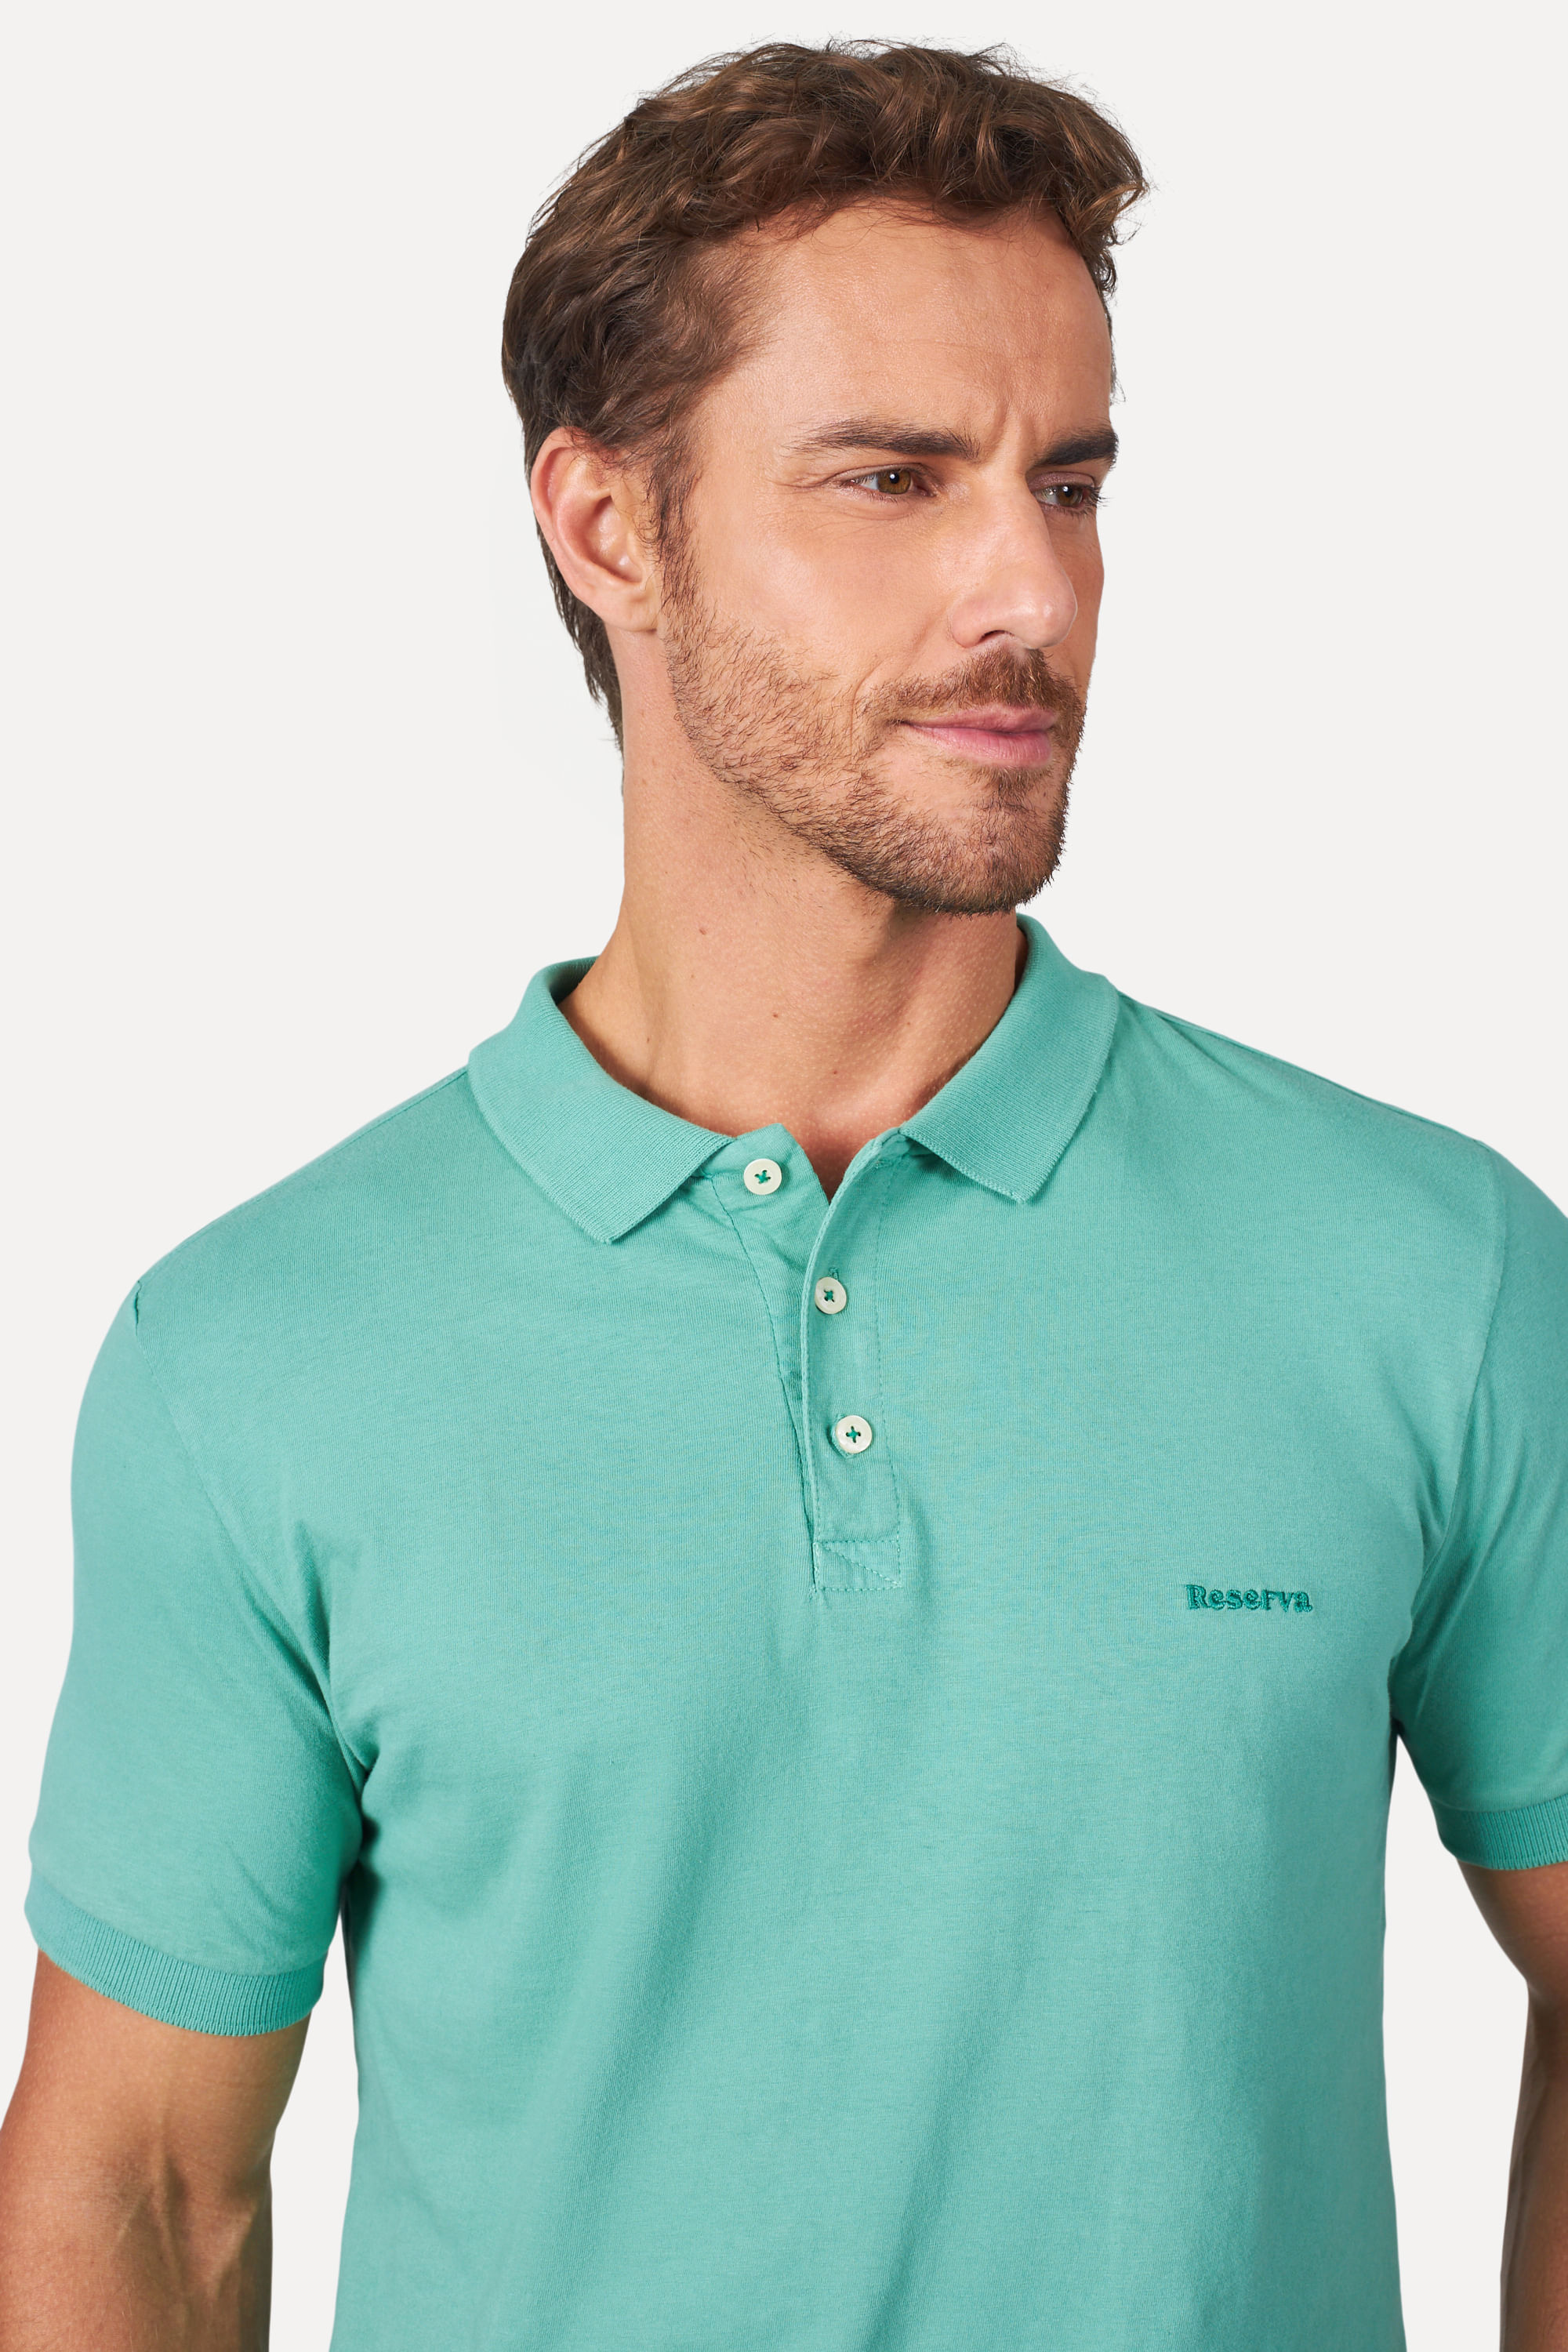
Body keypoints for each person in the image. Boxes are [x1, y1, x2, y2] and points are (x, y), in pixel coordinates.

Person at [1, 37, 1564, 2352]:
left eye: (1069, 480)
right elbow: (138, 2193)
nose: (1029, 587)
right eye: (893, 479)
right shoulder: (256, 1360)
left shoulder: (1433, 1273)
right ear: (607, 527)